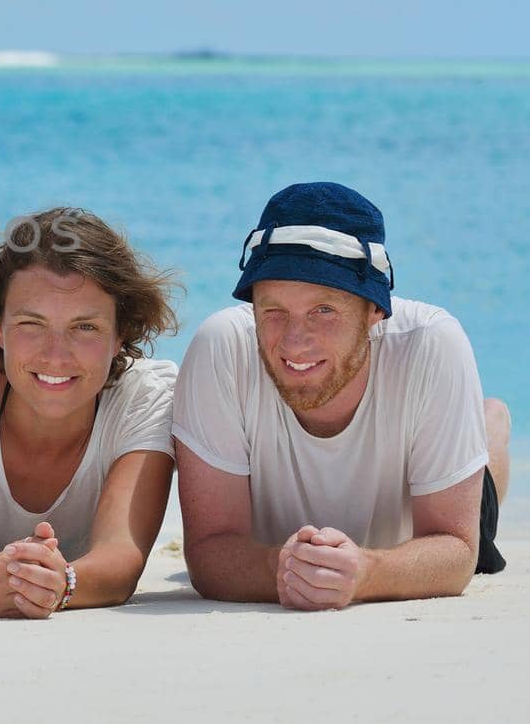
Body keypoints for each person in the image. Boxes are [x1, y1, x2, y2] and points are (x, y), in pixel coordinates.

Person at [173, 181, 510, 611]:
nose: (294, 343)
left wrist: (366, 573)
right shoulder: (222, 345)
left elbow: (458, 552)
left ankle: (491, 422)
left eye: (324, 311)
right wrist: (285, 567)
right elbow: (209, 553)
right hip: (288, 546)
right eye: (273, 310)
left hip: (410, 532)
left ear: (375, 310)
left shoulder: (430, 343)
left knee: (483, 475)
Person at [0, 208, 180, 618]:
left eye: (84, 327)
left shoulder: (147, 396)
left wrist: (62, 584)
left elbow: (121, 556)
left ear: (120, 332)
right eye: (32, 324)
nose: (55, 355)